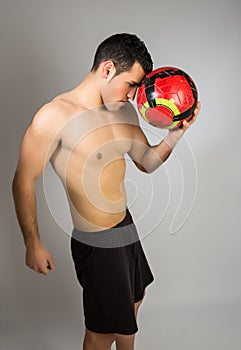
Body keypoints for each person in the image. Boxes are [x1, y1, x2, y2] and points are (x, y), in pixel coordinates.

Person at [12, 33, 200, 350]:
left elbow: (147, 162)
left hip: (125, 226)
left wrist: (175, 135)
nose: (133, 97)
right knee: (102, 333)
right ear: (108, 69)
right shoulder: (54, 116)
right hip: (96, 240)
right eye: (130, 85)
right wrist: (33, 244)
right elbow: (22, 181)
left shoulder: (124, 111)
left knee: (134, 303)